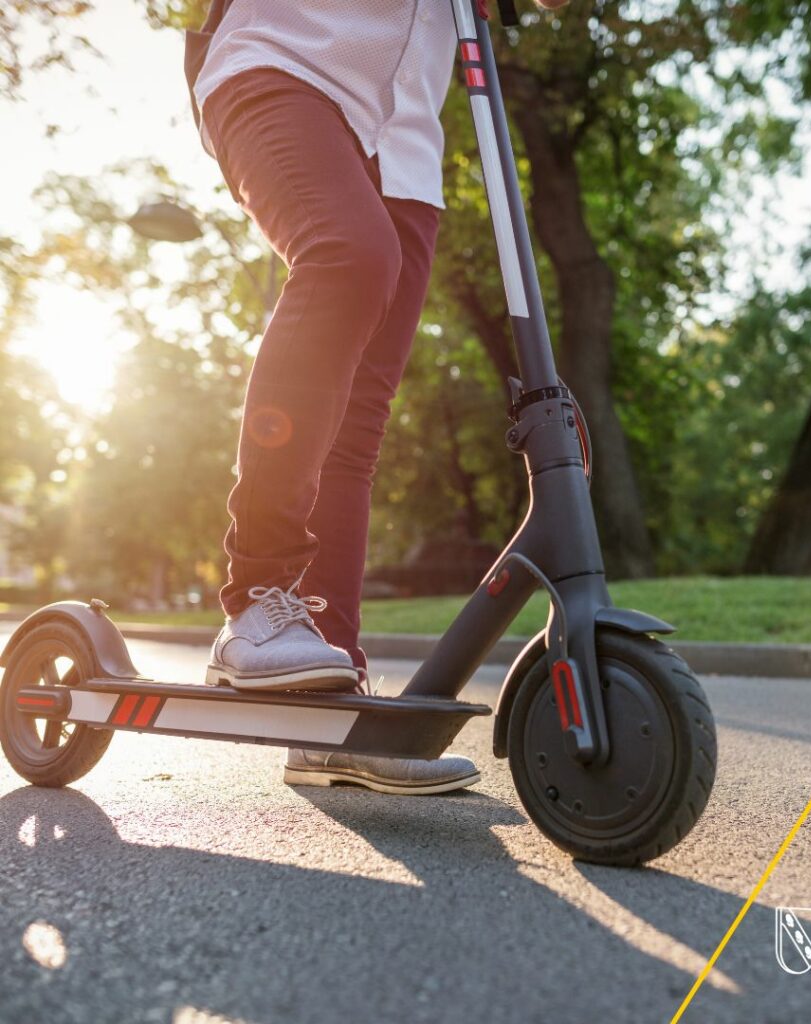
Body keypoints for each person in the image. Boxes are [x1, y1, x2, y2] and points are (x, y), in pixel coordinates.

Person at [190, 0, 567, 795]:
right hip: (286, 63)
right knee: (349, 256)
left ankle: (328, 715)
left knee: (357, 426)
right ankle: (255, 596)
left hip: (406, 146)